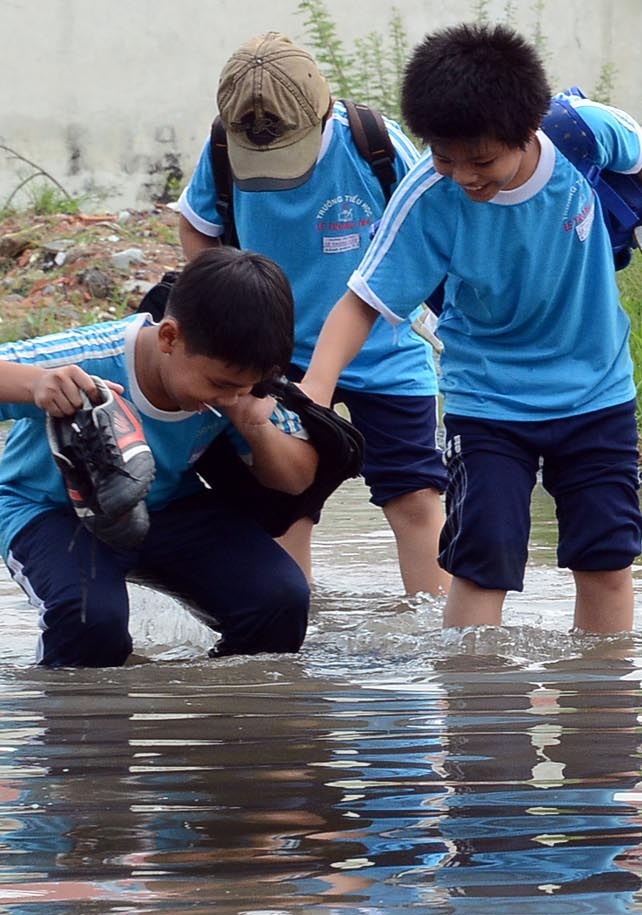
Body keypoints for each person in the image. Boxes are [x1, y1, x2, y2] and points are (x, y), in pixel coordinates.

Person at [300, 23, 642, 635]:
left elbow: (641, 148)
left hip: (598, 393)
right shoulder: (428, 196)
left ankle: (603, 715)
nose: (463, 174)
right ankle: (475, 711)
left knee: (607, 562)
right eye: (445, 155)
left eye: (481, 159)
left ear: (526, 130)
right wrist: (316, 387)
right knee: (481, 565)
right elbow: (362, 302)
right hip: (487, 403)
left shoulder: (581, 134)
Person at [0, 247, 316, 668]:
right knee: (92, 621)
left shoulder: (245, 383)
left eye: (245, 387)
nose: (232, 396)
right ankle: (73, 720)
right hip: (49, 509)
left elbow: (296, 480)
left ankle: (220, 715)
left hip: (169, 506)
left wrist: (256, 426)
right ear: (169, 338)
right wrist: (35, 384)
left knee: (280, 601)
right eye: (219, 384)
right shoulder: (92, 356)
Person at [177, 32, 448, 597]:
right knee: (284, 504)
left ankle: (441, 646)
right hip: (275, 360)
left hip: (387, 352)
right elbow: (199, 226)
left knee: (415, 497)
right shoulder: (224, 148)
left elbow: (431, 227)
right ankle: (290, 645)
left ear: (323, 113)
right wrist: (225, 321)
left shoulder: (375, 145)